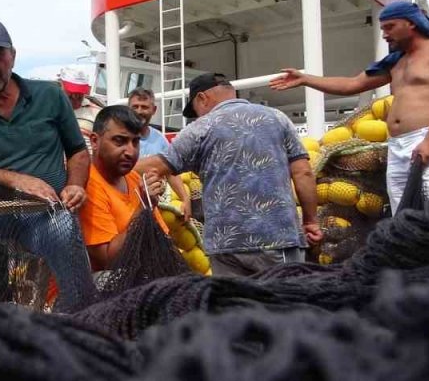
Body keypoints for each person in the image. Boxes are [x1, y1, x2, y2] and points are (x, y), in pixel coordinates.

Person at [0, 19, 97, 310]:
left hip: (44, 213)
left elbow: (78, 151)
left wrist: (76, 184)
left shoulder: (51, 95)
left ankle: (80, 314)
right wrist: (17, 180)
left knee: (64, 229)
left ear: (12, 56)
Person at [270, 0, 429, 208]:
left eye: (390, 27)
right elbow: (352, 84)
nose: (384, 34)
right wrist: (305, 79)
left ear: (411, 23)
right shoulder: (396, 61)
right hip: (398, 144)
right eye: (382, 29)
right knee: (402, 210)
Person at [138, 73, 322, 277]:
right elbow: (303, 172)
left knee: (233, 308)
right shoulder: (277, 118)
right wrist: (310, 221)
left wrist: (108, 163)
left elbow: (156, 165)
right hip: (277, 239)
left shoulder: (200, 128)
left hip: (225, 246)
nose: (198, 115)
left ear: (202, 98)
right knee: (283, 306)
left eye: (195, 110)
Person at [80, 105, 169, 271]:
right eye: (119, 141)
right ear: (94, 141)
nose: (130, 151)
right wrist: (143, 208)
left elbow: (161, 237)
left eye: (135, 142)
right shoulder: (87, 185)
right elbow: (108, 261)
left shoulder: (134, 178)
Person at [126, 87, 192, 221]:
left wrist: (185, 199)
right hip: (126, 203)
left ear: (154, 110)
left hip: (153, 205)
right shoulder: (121, 136)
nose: (139, 111)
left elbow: (170, 171)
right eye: (135, 107)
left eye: (144, 107)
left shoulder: (160, 139)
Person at [58, 65, 101, 150]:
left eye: (79, 92)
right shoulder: (49, 108)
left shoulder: (98, 113)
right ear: (61, 85)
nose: (75, 96)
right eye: (71, 91)